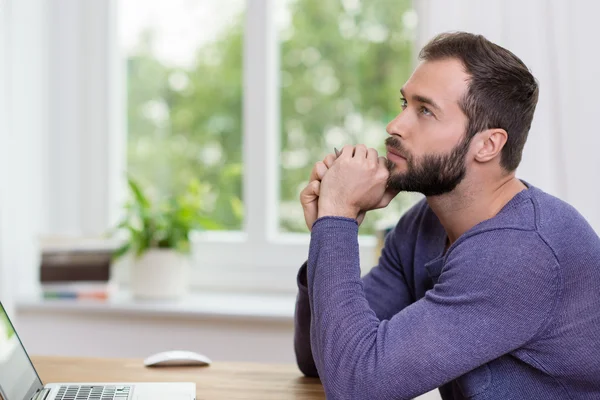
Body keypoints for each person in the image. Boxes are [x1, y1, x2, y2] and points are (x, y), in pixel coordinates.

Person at [295, 32, 600, 400]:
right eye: (404, 103)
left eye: (425, 110)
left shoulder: (521, 252)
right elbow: (323, 361)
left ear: (487, 145)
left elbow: (357, 386)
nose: (395, 125)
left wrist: (337, 219)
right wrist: (327, 231)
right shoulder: (423, 224)